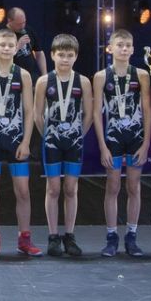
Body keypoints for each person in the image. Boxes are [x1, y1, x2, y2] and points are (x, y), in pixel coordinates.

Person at [0, 28, 41, 257]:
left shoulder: (24, 75)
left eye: (10, 45)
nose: (6, 48)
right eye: (2, 44)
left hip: (16, 140)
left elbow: (30, 111)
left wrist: (26, 142)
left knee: (22, 191)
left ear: (16, 49)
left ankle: (25, 239)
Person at [92, 29, 151, 257]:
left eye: (128, 45)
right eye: (120, 45)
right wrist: (102, 146)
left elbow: (147, 110)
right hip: (113, 138)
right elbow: (96, 113)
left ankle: (131, 236)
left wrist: (146, 144)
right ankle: (111, 237)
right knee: (113, 186)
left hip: (136, 137)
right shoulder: (101, 76)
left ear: (133, 49)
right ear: (110, 48)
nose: (124, 48)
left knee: (134, 186)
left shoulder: (142, 75)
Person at [33, 33, 93, 257]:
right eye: (61, 55)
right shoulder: (43, 81)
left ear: (76, 56)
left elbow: (89, 114)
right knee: (53, 188)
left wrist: (79, 134)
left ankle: (69, 235)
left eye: (69, 55)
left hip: (74, 141)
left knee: (71, 188)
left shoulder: (83, 82)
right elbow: (37, 115)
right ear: (52, 55)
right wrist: (48, 135)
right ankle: (52, 236)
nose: (65, 59)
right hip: (52, 141)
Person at [3, 7, 47, 81]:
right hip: (12, 77)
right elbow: (3, 58)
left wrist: (44, 74)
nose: (22, 26)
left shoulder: (28, 30)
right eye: (19, 24)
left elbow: (39, 53)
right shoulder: (2, 34)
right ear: (9, 21)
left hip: (31, 75)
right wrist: (18, 46)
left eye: (24, 22)